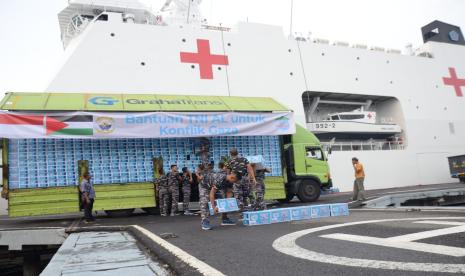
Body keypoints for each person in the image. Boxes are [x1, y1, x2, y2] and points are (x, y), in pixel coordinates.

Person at [196, 164, 212, 230]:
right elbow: (199, 181)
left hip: (205, 192)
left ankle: (205, 222)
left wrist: (197, 174)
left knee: (205, 207)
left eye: (198, 168)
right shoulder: (205, 173)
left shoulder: (204, 173)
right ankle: (205, 222)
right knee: (204, 207)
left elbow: (200, 178)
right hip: (204, 193)